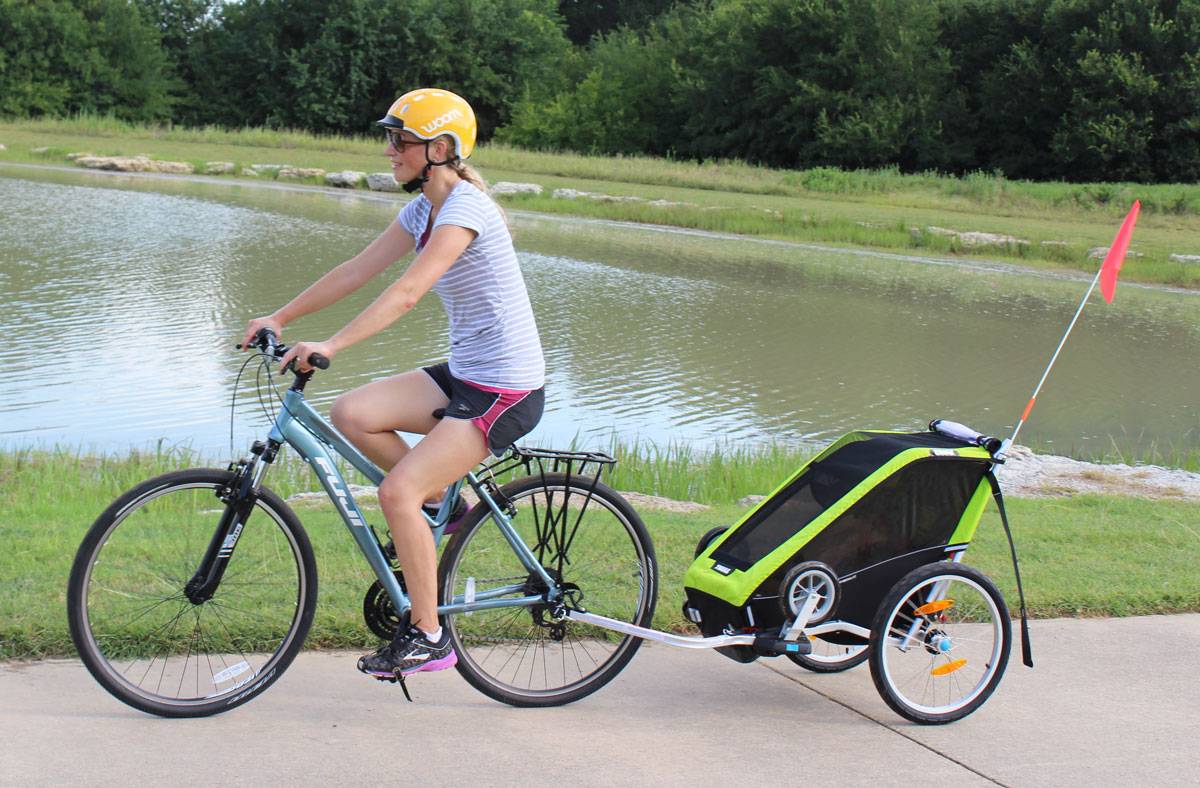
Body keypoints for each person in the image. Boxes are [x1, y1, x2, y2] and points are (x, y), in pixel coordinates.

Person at [241, 88, 545, 680]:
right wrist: (282, 317)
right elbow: (356, 270)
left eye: (400, 140)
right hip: (465, 373)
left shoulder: (466, 210)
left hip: (506, 389)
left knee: (395, 493)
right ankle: (443, 503)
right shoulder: (422, 211)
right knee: (353, 413)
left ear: (440, 148)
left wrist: (330, 345)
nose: (389, 151)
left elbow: (407, 293)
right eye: (390, 139)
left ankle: (430, 637)